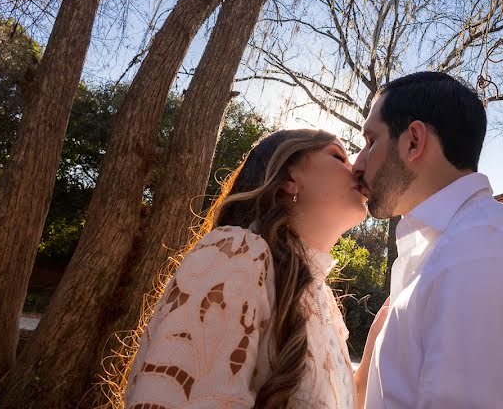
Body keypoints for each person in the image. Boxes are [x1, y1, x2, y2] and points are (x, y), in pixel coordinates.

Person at [352, 72, 503, 409]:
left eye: (370, 141)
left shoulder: (481, 258)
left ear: (413, 141)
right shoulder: (456, 248)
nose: (358, 162)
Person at [124, 129, 372, 409]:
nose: (358, 169)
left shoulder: (321, 299)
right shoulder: (237, 252)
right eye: (339, 156)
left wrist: (376, 342)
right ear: (289, 179)